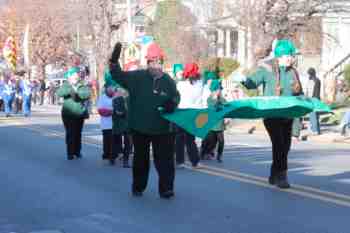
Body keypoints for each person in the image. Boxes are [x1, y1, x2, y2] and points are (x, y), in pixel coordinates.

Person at [109, 42, 179, 199]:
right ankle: (138, 187)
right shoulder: (137, 77)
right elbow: (118, 76)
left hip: (163, 128)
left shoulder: (168, 81)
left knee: (165, 160)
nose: (156, 65)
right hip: (140, 127)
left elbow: (176, 96)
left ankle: (166, 188)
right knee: (141, 159)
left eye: (158, 62)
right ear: (148, 63)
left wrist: (172, 103)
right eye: (152, 62)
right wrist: (114, 62)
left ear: (162, 62)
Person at [234, 39, 303, 189]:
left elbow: (300, 101)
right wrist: (243, 79)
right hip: (272, 116)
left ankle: (273, 174)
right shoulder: (267, 70)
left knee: (285, 147)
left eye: (291, 56)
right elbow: (252, 83)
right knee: (279, 146)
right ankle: (282, 177)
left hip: (288, 117)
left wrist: (297, 128)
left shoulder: (294, 73)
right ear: (279, 56)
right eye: (288, 56)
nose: (291, 58)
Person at [57, 67, 91, 160]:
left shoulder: (82, 85)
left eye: (77, 76)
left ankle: (77, 151)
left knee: (78, 133)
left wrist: (77, 92)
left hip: (79, 114)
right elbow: (59, 93)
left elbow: (86, 94)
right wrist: (71, 88)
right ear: (70, 77)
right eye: (74, 76)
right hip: (68, 114)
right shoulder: (66, 85)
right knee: (70, 133)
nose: (76, 77)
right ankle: (70, 153)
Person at [175, 63, 205, 169]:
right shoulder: (200, 84)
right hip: (193, 113)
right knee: (190, 139)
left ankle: (180, 161)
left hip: (181, 112)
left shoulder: (180, 84)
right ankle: (195, 161)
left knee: (179, 138)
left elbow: (176, 97)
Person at [200, 80, 228, 163]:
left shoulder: (222, 99)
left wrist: (228, 116)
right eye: (218, 89)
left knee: (221, 141)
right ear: (214, 90)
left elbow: (227, 106)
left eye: (220, 89)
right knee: (210, 141)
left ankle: (219, 155)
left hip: (220, 124)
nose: (220, 91)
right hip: (212, 124)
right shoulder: (209, 99)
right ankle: (203, 153)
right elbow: (212, 108)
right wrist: (216, 100)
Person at [97, 83, 119, 165]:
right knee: (107, 140)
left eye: (112, 88)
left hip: (115, 123)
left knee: (114, 141)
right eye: (109, 88)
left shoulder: (116, 97)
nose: (111, 90)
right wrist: (112, 112)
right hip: (106, 124)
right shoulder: (102, 98)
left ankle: (112, 156)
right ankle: (107, 154)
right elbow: (100, 110)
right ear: (106, 89)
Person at [306, 67, 321, 135]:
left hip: (314, 99)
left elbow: (314, 92)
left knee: (313, 115)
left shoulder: (316, 81)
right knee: (314, 115)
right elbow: (308, 90)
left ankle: (315, 130)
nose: (309, 75)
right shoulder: (313, 80)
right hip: (313, 99)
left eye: (309, 74)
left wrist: (313, 99)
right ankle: (316, 130)